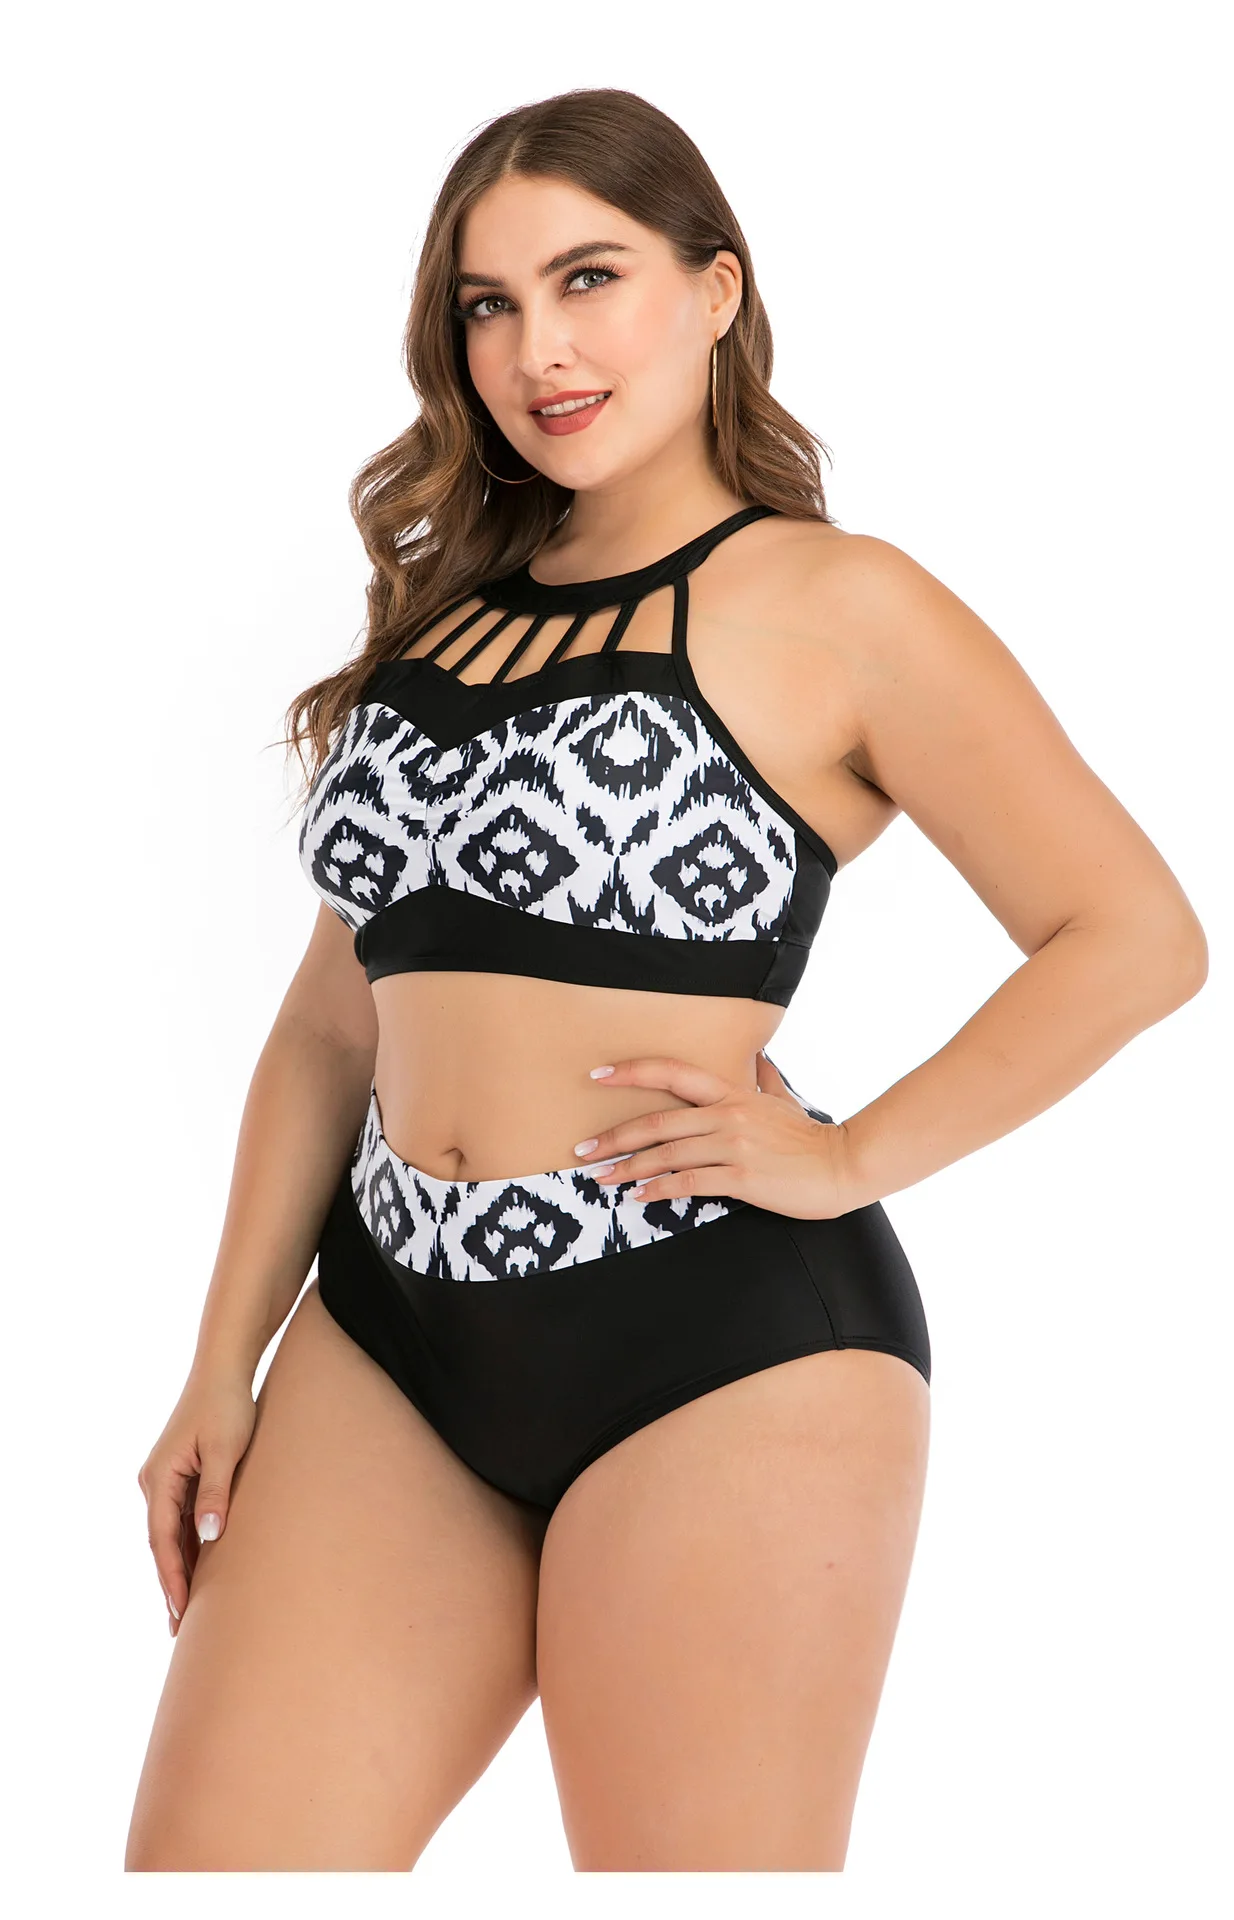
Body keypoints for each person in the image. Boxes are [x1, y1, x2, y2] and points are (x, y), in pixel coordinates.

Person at [125, 87, 1207, 1873]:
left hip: (716, 1342)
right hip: (386, 1326)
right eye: (487, 304)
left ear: (714, 289)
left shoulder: (839, 603)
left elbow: (1133, 934)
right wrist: (215, 1365)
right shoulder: (440, 624)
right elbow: (331, 1021)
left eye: (588, 278)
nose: (537, 349)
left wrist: (849, 1158)